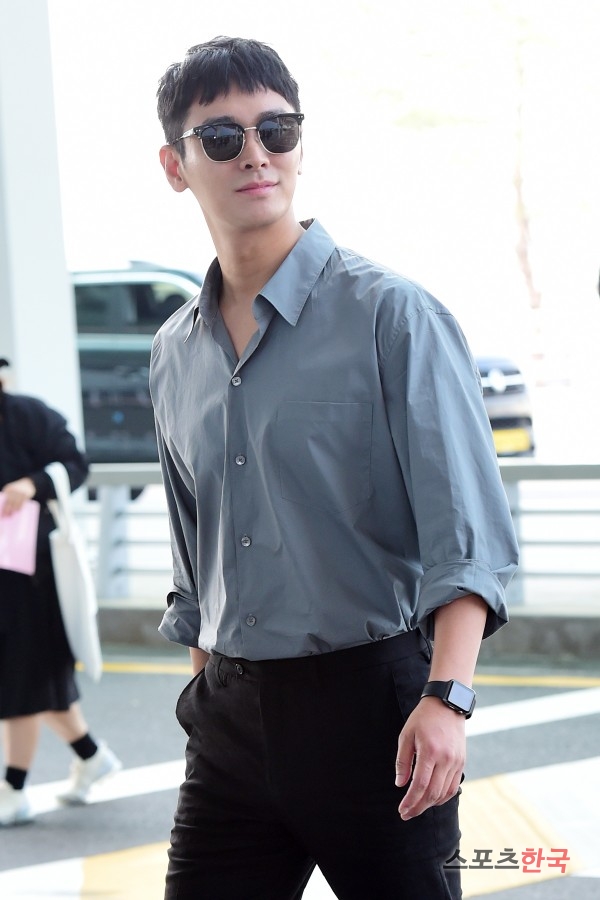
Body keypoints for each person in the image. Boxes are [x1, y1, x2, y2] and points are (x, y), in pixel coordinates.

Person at [150, 36, 519, 900]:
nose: (255, 154)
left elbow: (466, 535)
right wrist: (205, 695)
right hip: (230, 722)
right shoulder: (174, 351)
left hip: (376, 716)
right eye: (222, 137)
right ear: (175, 165)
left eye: (276, 130)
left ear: (299, 145)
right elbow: (194, 551)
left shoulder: (393, 317)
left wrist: (448, 700)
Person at [0, 359, 121, 827]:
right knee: (35, 681)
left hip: (32, 575)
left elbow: (75, 465)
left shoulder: (28, 415)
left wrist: (31, 485)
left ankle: (13, 788)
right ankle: (91, 757)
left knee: (21, 679)